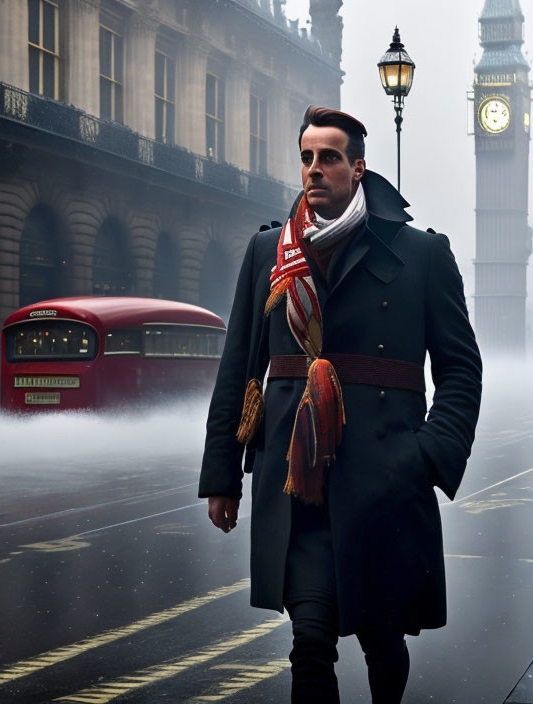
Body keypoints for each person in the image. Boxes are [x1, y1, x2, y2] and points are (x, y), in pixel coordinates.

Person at [199, 106, 482, 703]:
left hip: (385, 478)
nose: (314, 170)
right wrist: (222, 475)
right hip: (297, 479)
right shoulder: (269, 253)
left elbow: (460, 368)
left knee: (382, 638)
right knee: (310, 639)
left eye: (329, 158)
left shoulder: (421, 254)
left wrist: (428, 455)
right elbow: (240, 368)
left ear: (358, 168)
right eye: (306, 157)